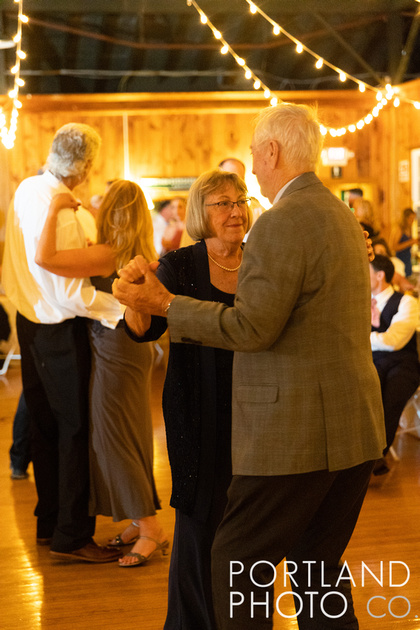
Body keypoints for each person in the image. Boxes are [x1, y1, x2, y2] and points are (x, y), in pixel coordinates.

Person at [113, 102, 386, 629]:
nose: (252, 178)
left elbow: (251, 328)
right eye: (223, 201)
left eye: (253, 166)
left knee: (238, 563)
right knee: (316, 569)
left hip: (298, 434)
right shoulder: (342, 218)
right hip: (349, 431)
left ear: (272, 151)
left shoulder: (281, 224)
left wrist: (166, 305)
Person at [123, 168, 252, 628]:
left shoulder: (262, 258)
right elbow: (144, 329)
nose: (235, 211)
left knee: (248, 527)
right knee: (199, 523)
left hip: (258, 412)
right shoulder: (178, 264)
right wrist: (136, 297)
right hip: (195, 411)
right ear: (201, 211)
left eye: (240, 200)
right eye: (223, 203)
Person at [2, 122, 123, 563]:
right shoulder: (65, 211)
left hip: (28, 324)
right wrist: (122, 310)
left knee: (44, 427)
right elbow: (71, 294)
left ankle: (49, 522)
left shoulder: (25, 190)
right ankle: (72, 535)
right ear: (86, 165)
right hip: (59, 329)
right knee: (75, 431)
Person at [35, 180, 168, 567]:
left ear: (111, 211)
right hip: (128, 349)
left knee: (112, 440)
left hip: (115, 350)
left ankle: (149, 527)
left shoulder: (110, 254)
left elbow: (46, 257)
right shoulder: (136, 251)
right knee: (131, 434)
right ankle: (137, 519)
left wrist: (55, 207)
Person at [370, 254, 420, 475]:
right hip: (372, 363)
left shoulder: (407, 302)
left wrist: (362, 339)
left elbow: (394, 341)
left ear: (380, 275)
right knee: (365, 396)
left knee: (391, 397)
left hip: (403, 364)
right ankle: (363, 456)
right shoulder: (358, 301)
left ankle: (377, 455)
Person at [390, 207, 419, 277]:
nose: (412, 221)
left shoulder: (409, 228)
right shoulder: (399, 229)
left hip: (408, 259)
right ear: (405, 218)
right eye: (411, 218)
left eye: (413, 219)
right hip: (400, 259)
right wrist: (410, 242)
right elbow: (393, 247)